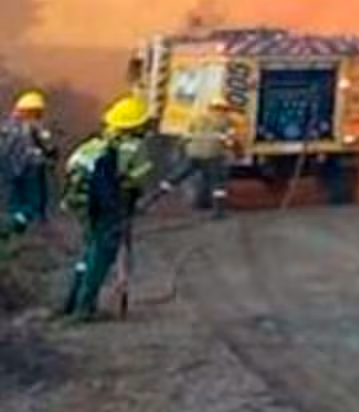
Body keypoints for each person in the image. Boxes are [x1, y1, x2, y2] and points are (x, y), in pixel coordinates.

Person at [61, 95, 162, 320]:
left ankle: (70, 301)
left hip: (80, 202)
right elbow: (136, 179)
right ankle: (84, 308)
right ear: (136, 125)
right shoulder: (134, 147)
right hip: (107, 206)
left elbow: (71, 168)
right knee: (102, 254)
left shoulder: (95, 142)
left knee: (89, 250)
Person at [3, 90, 57, 233]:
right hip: (32, 166)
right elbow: (48, 145)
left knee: (16, 198)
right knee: (35, 199)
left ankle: (15, 220)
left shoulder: (6, 126)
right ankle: (28, 223)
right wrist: (52, 154)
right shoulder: (36, 125)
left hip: (9, 167)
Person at [181, 98, 241, 219]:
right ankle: (218, 212)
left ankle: (147, 202)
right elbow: (229, 142)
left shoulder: (198, 118)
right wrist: (237, 151)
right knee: (218, 184)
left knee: (174, 179)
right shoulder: (226, 122)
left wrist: (186, 149)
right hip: (213, 156)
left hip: (193, 154)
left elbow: (185, 136)